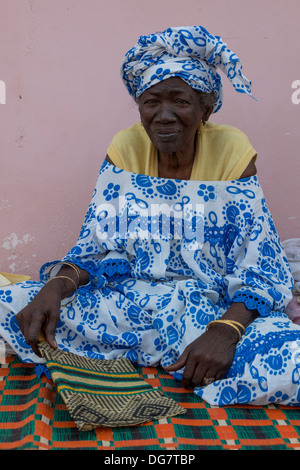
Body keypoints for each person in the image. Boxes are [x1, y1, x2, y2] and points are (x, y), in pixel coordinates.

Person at [0, 25, 299, 407]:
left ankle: (192, 353)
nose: (164, 116)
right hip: (128, 307)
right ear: (140, 106)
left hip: (209, 311)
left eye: (180, 101)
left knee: (291, 365)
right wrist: (54, 287)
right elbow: (95, 247)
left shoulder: (232, 152)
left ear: (205, 109)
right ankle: (147, 354)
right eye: (151, 101)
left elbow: (260, 264)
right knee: (14, 307)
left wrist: (225, 330)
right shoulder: (125, 148)